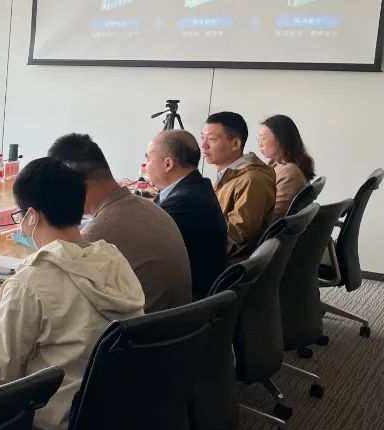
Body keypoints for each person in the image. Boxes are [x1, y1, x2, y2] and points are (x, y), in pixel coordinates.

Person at [0, 157, 144, 430]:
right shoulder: (112, 260)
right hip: (112, 427)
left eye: (20, 215)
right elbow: (69, 301)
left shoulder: (31, 281)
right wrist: (6, 296)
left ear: (32, 216)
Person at [48, 133, 191, 312]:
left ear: (75, 184)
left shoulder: (96, 236)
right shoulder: (150, 207)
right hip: (177, 324)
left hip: (141, 327)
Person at [144, 130, 228, 299]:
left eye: (148, 159)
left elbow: (142, 246)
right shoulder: (197, 185)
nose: (146, 166)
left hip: (186, 301)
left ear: (168, 164)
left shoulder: (183, 204)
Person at [201, 111, 276, 256]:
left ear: (235, 144)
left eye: (211, 139)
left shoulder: (252, 180)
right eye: (202, 137)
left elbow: (237, 236)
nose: (203, 146)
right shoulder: (230, 173)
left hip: (224, 260)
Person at [258, 114, 315, 223]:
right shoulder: (277, 164)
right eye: (259, 138)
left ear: (281, 139)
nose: (260, 144)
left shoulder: (289, 172)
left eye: (263, 138)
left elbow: (273, 218)